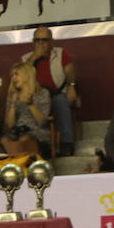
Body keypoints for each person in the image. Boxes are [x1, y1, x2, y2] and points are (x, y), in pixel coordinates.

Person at [21, 26, 77, 156]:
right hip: (36, 97)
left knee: (61, 101)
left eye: (44, 40)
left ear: (51, 41)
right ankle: (41, 145)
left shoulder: (61, 53)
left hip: (56, 93)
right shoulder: (26, 58)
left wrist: (72, 86)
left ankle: (66, 143)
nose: (40, 43)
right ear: (33, 42)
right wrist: (35, 57)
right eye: (37, 40)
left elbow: (70, 72)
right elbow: (22, 75)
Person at [0, 61, 51, 155]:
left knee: (24, 140)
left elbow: (42, 122)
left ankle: (22, 165)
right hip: (16, 133)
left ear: (27, 75)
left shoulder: (42, 93)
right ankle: (11, 166)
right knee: (4, 140)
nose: (13, 78)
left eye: (16, 74)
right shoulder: (12, 96)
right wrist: (13, 105)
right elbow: (9, 126)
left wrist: (30, 104)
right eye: (12, 75)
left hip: (36, 133)